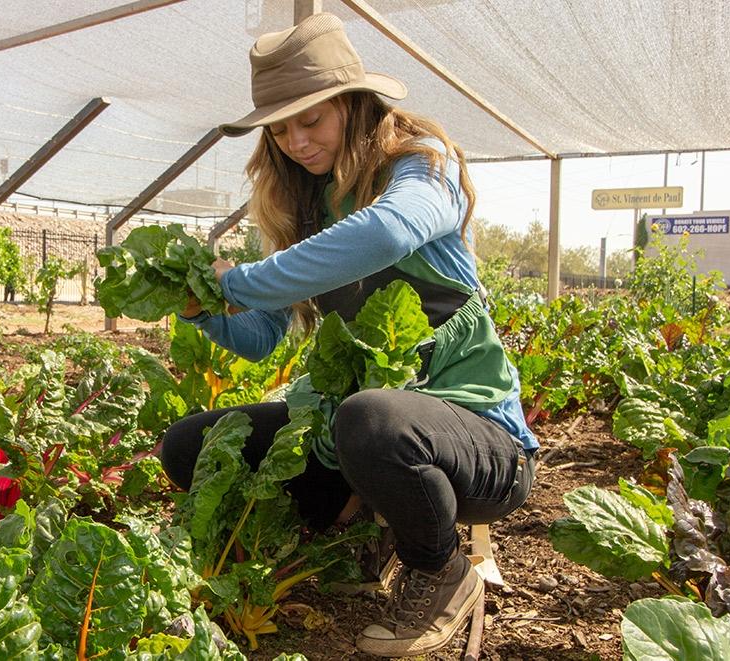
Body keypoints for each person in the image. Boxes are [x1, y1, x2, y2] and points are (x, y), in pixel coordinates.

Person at [160, 13, 537, 658]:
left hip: (477, 443)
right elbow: (261, 339)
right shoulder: (304, 205)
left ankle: (441, 569)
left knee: (372, 420)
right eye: (280, 129)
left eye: (312, 119)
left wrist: (243, 280)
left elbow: (387, 234)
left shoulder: (422, 168)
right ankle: (357, 532)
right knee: (193, 443)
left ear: (356, 104)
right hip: (354, 440)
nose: (296, 140)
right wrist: (202, 309)